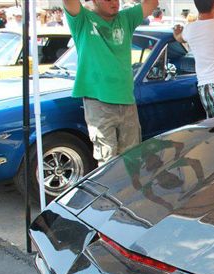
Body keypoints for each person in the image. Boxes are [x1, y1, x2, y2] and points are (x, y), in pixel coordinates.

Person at [62, 0, 157, 166]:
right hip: (98, 101)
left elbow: (152, 3)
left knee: (133, 157)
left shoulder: (126, 17)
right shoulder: (83, 19)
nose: (115, 2)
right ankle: (113, 191)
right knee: (107, 161)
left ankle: (128, 191)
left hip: (126, 99)